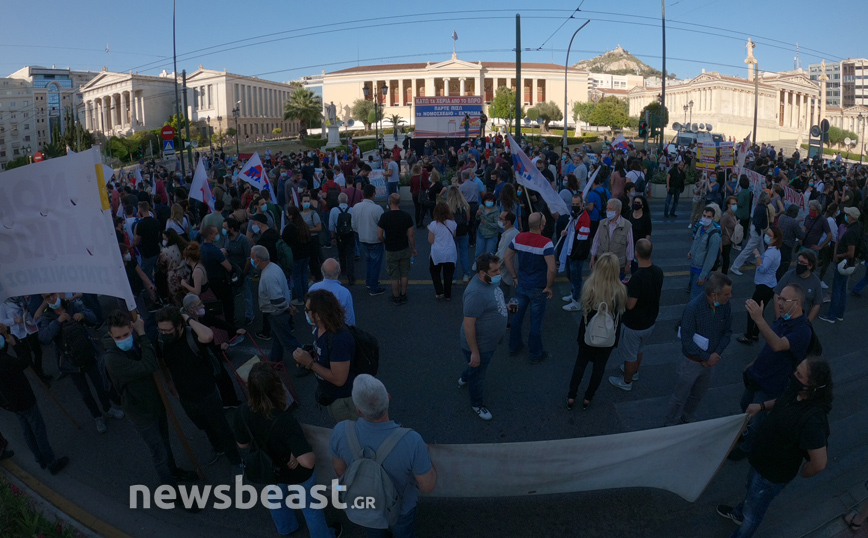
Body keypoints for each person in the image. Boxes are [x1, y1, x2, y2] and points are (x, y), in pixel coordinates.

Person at [717, 357, 832, 538]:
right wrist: (762, 406)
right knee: (751, 492)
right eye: (796, 370)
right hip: (760, 459)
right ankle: (739, 513)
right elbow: (781, 401)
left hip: (771, 475)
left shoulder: (813, 420)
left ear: (813, 385)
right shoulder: (797, 392)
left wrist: (805, 471)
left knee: (753, 514)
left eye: (799, 374)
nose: (794, 375)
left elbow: (819, 463)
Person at [233, 362, 339, 537]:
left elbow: (242, 445)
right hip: (295, 472)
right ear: (277, 388)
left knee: (276, 500)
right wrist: (297, 452)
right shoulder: (285, 421)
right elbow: (307, 460)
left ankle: (286, 528)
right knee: (310, 508)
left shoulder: (242, 412)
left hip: (268, 468)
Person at [329, 374, 437, 538]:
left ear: (359, 410)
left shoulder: (340, 431)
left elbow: (339, 470)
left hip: (365, 503)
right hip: (400, 508)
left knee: (373, 529)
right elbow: (427, 486)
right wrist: (425, 454)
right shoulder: (412, 441)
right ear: (387, 399)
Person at [104, 311, 199, 494]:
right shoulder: (112, 358)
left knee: (165, 443)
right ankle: (170, 491)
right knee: (159, 453)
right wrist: (142, 334)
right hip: (140, 413)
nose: (123, 339)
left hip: (154, 403)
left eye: (126, 334)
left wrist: (141, 337)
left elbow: (151, 353)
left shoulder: (133, 343)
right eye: (118, 337)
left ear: (131, 328)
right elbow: (149, 365)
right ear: (111, 336)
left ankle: (173, 472)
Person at [729, 283, 814, 462]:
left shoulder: (803, 331)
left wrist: (758, 319)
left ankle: (747, 447)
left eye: (784, 299)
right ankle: (745, 433)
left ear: (797, 303)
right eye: (779, 298)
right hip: (757, 374)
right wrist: (754, 363)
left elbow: (777, 344)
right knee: (745, 405)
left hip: (771, 384)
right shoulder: (784, 318)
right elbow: (769, 344)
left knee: (757, 419)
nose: (779, 302)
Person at [154, 306, 241, 468]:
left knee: (221, 428)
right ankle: (218, 448)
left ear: (179, 325)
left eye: (168, 330)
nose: (164, 334)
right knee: (204, 425)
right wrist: (169, 382)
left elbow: (208, 335)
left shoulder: (191, 335)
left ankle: (236, 461)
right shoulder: (161, 340)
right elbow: (162, 361)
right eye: (161, 330)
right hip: (185, 396)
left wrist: (187, 318)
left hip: (207, 393)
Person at [36, 293, 124, 434]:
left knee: (100, 385)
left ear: (57, 293)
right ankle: (97, 416)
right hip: (70, 362)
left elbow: (93, 317)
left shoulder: (71, 305)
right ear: (45, 300)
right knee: (85, 393)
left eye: (52, 295)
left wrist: (83, 315)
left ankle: (108, 408)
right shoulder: (47, 316)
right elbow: (44, 337)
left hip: (87, 353)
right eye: (47, 297)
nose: (51, 299)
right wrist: (57, 322)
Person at [664, 272, 733, 426]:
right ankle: (668, 423)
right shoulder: (693, 308)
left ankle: (686, 419)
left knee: (698, 394)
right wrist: (707, 357)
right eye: (727, 294)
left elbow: (727, 332)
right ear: (715, 295)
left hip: (710, 361)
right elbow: (686, 340)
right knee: (679, 395)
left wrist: (715, 354)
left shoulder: (725, 306)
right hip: (692, 362)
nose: (730, 296)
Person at [0, 324, 69, 475]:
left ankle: (40, 459)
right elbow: (24, 361)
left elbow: (3, 351)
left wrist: (6, 334)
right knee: (38, 431)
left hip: (13, 403)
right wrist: (15, 344)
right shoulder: (4, 362)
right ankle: (51, 463)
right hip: (24, 399)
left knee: (27, 432)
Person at [566, 253, 627, 409]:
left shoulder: (590, 285)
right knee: (599, 368)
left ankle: (571, 396)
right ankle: (588, 398)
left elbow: (584, 307)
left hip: (589, 331)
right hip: (608, 334)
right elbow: (621, 312)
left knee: (581, 363)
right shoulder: (620, 290)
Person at [459, 254, 514, 421]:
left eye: (499, 269)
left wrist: (505, 306)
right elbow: (469, 325)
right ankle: (477, 404)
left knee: (476, 368)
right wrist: (475, 352)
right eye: (495, 270)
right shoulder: (475, 293)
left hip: (489, 341)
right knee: (479, 374)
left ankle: (464, 377)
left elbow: (491, 303)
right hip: (480, 346)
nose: (499, 273)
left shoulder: (489, 283)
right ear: (483, 273)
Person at [292, 290, 357, 421]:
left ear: (318, 314)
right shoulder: (320, 329)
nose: (305, 312)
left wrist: (310, 363)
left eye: (307, 310)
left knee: (351, 435)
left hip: (343, 399)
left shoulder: (339, 340)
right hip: (331, 395)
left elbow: (339, 379)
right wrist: (307, 358)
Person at [608, 239, 663, 391]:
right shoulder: (658, 271)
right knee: (639, 350)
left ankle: (626, 382)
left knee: (630, 355)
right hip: (650, 321)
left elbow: (630, 305)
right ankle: (635, 372)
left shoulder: (637, 277)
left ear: (636, 254)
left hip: (634, 324)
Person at [504, 212, 556, 363]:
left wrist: (514, 276)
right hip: (538, 287)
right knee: (535, 322)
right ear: (541, 226)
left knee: (516, 317)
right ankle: (535, 353)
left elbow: (507, 257)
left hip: (522, 284)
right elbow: (552, 269)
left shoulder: (519, 237)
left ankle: (514, 346)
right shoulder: (546, 243)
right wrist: (549, 287)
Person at [252, 246, 303, 365]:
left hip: (277, 314)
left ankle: (306, 362)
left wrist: (288, 308)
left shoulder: (268, 276)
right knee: (278, 338)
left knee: (289, 342)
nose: (251, 260)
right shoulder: (274, 267)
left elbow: (277, 300)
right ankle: (274, 360)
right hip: (280, 312)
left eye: (252, 258)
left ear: (258, 260)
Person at [737, 227, 782, 344]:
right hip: (770, 284)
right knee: (760, 309)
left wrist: (757, 255)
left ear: (775, 238)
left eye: (769, 234)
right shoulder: (776, 251)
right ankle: (755, 333)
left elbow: (762, 269)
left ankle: (748, 335)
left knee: (752, 309)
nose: (766, 235)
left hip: (764, 285)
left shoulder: (770, 253)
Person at [819, 207, 862, 324]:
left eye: (848, 214)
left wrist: (838, 255)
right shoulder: (857, 227)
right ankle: (839, 314)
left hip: (843, 263)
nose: (846, 216)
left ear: (851, 217)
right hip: (849, 264)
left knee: (837, 289)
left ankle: (831, 315)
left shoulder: (851, 231)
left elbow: (851, 252)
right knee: (842, 289)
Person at [378, 193, 416, 305]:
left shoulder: (384, 217)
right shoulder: (406, 216)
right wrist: (413, 248)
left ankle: (396, 297)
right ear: (399, 202)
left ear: (389, 202)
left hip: (391, 249)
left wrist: (385, 241)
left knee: (394, 275)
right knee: (404, 273)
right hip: (404, 248)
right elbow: (411, 234)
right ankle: (403, 294)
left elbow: (379, 235)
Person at [352, 184, 386, 296]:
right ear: (373, 194)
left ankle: (369, 282)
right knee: (375, 263)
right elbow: (382, 226)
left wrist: (360, 232)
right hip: (375, 239)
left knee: (368, 262)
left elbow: (354, 225)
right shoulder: (377, 209)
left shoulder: (356, 207)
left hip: (362, 238)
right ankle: (374, 287)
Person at [560, 194, 591, 312]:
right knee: (572, 275)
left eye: (577, 205)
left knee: (576, 277)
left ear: (583, 204)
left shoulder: (583, 218)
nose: (574, 207)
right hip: (571, 250)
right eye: (573, 204)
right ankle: (573, 294)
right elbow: (574, 233)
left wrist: (573, 255)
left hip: (576, 254)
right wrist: (567, 234)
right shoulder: (576, 216)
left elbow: (582, 242)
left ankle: (576, 301)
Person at [589, 198, 634, 281]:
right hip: (602, 263)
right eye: (607, 208)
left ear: (617, 211)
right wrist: (592, 258)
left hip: (618, 265)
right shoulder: (602, 223)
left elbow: (630, 246)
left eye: (610, 209)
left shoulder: (627, 225)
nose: (607, 211)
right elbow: (596, 241)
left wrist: (628, 264)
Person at [221, 217, 254, 326]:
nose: (224, 230)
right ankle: (233, 315)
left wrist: (243, 274)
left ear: (232, 228)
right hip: (231, 272)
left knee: (246, 295)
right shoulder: (226, 238)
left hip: (242, 272)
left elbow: (248, 259)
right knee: (232, 296)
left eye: (225, 228)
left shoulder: (243, 240)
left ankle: (249, 315)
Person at [774, 251, 822, 322]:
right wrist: (778, 316)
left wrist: (807, 322)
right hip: (783, 318)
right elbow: (776, 294)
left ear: (810, 266)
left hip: (800, 321)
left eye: (802, 262)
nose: (799, 264)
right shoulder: (789, 275)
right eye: (798, 261)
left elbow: (817, 304)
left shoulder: (816, 282)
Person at [731, 192, 771, 275]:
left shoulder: (759, 207)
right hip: (758, 231)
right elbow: (760, 222)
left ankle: (761, 262)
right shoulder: (762, 208)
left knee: (761, 250)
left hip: (757, 230)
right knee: (747, 250)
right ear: (765, 199)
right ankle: (735, 266)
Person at [309, 258, 356, 326]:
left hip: (320, 328)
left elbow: (310, 313)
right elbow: (349, 319)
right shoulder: (344, 293)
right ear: (339, 271)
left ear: (322, 271)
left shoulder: (313, 289)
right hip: (338, 329)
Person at [427, 202, 458, 301]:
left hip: (437, 253)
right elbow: (454, 235)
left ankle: (439, 292)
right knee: (448, 274)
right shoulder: (453, 223)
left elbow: (430, 240)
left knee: (434, 272)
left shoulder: (433, 225)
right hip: (450, 253)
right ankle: (448, 295)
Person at [328, 193, 356, 286]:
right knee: (350, 255)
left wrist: (333, 237)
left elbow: (331, 225)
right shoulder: (352, 210)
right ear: (347, 201)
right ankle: (351, 275)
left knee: (341, 253)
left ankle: (343, 270)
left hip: (339, 235)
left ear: (338, 201)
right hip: (350, 234)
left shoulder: (334, 210)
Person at [777, 204, 804, 281]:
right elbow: (801, 235)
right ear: (795, 213)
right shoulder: (794, 223)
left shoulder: (781, 217)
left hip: (778, 244)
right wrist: (804, 229)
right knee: (783, 266)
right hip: (787, 247)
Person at [720, 196, 739, 274]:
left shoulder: (733, 214)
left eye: (736, 204)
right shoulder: (726, 216)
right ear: (728, 205)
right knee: (726, 261)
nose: (735, 206)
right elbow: (720, 229)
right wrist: (720, 244)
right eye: (733, 204)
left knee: (726, 260)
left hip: (729, 241)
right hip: (725, 242)